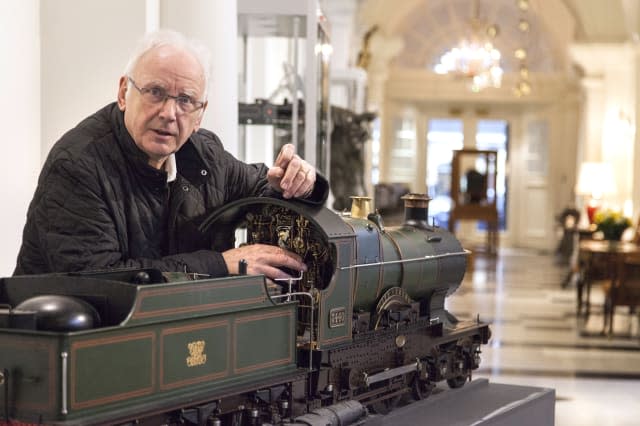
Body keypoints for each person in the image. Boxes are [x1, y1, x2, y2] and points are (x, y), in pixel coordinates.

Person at [14, 30, 328, 280]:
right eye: (155, 92)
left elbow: (266, 189)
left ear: (200, 113)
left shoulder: (205, 156)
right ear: (124, 93)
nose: (169, 113)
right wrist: (220, 264)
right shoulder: (78, 165)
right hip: (66, 346)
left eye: (185, 100)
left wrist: (302, 181)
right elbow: (99, 280)